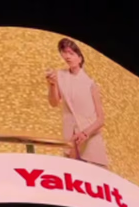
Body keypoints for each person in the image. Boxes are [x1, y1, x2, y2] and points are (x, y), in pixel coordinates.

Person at [46, 37, 109, 168]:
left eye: (71, 53)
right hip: (70, 137)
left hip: (90, 137)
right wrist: (51, 85)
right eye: (64, 53)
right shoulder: (60, 76)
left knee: (94, 177)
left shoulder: (90, 84)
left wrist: (85, 133)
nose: (67, 57)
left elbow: (101, 119)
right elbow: (54, 102)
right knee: (72, 173)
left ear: (80, 58)